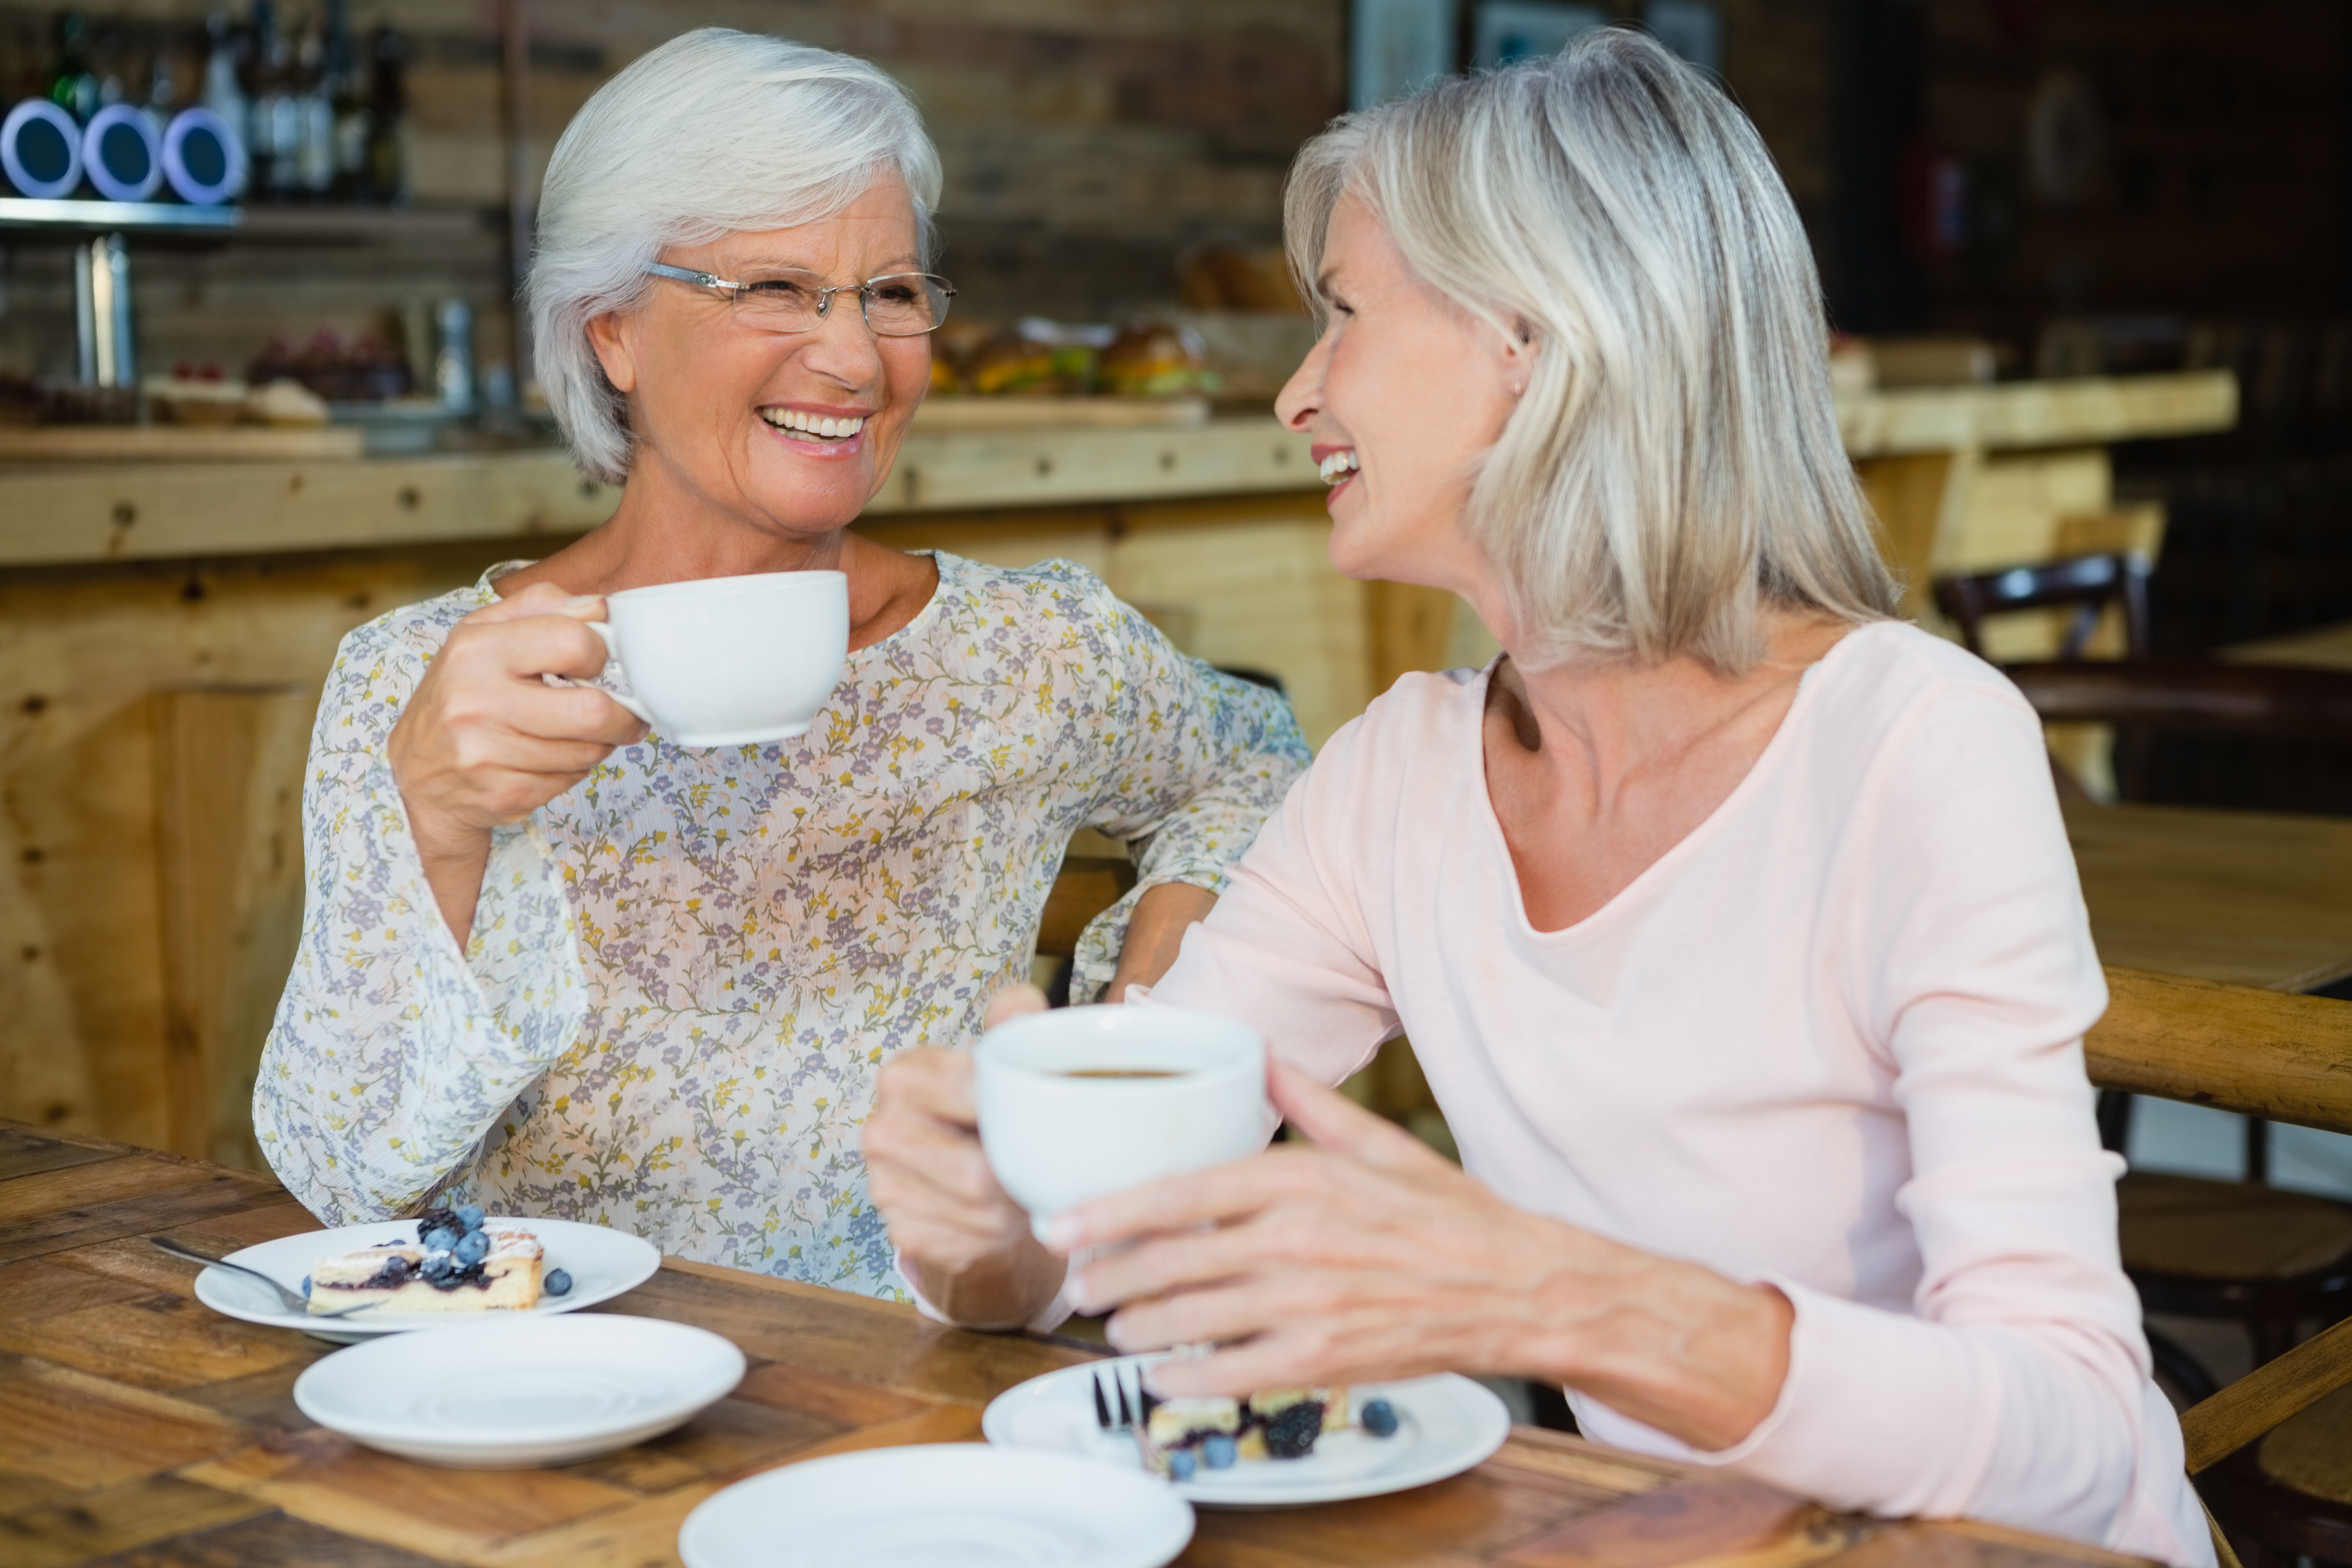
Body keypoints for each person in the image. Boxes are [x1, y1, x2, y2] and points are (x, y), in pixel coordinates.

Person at [862, 30, 2212, 1564]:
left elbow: (2079, 1442)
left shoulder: (1915, 745)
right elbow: (1091, 1236)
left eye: (1345, 317)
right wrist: (985, 1226)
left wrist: (1541, 1291)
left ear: (1533, 338)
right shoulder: (1399, 779)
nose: (1299, 392)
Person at [254, 29, 1307, 1308]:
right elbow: (337, 1180)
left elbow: (1255, 758)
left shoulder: (1023, 653)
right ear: (612, 334)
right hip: (557, 1396)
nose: (856, 359)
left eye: (893, 293)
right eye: (773, 289)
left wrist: (1147, 1015)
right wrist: (437, 826)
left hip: (922, 1388)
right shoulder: (425, 687)